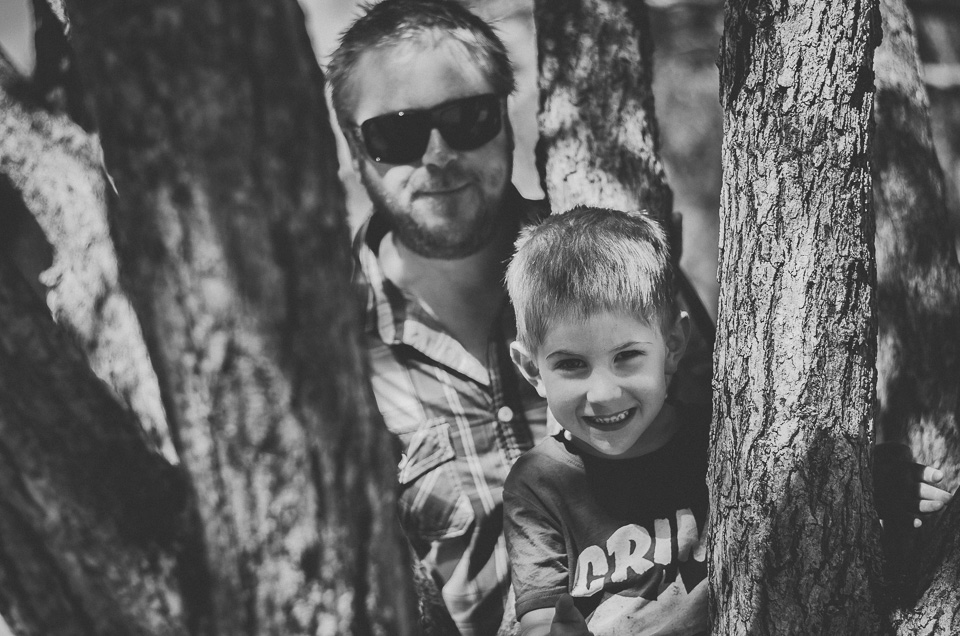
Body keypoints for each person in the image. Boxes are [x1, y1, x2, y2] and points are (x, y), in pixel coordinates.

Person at [325, 0, 949, 633]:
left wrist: (861, 487)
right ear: (352, 146)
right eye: (397, 133)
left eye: (466, 118)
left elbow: (749, 438)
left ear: (507, 115)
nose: (436, 155)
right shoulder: (325, 360)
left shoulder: (619, 268)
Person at [504, 207, 708, 636]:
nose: (603, 393)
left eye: (627, 356)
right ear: (531, 371)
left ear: (672, 347)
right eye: (572, 364)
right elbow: (540, 620)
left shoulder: (717, 445)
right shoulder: (538, 484)